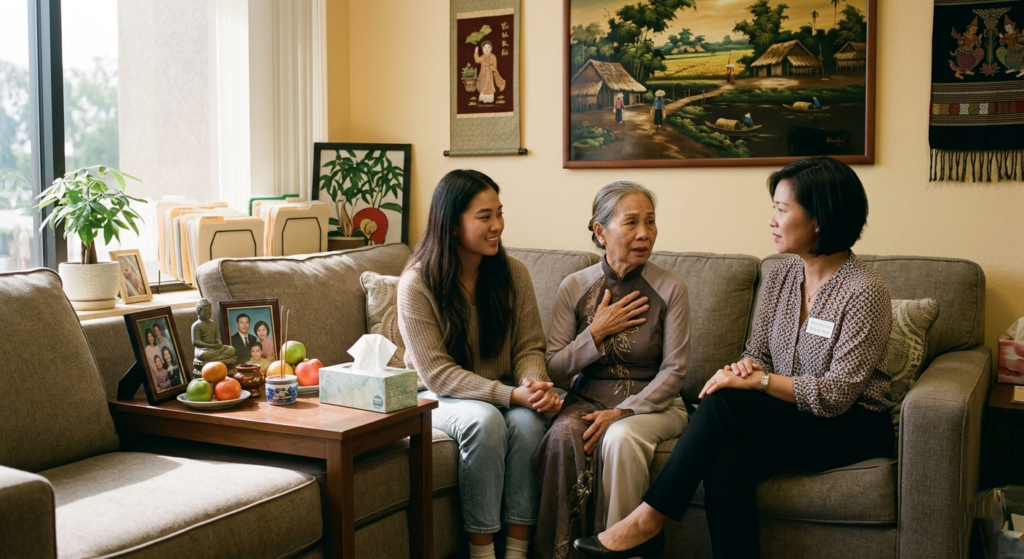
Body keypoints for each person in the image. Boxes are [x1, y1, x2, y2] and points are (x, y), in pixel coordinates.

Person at [575, 157, 896, 559]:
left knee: (725, 401)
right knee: (727, 462)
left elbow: (835, 395)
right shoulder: (780, 276)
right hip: (793, 416)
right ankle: (652, 522)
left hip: (851, 426)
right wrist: (747, 367)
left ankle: (649, 518)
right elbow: (757, 352)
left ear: (819, 218)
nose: (772, 221)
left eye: (782, 210)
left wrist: (756, 382)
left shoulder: (864, 290)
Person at [397, 169, 562, 559]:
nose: (497, 226)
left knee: (526, 423)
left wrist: (534, 386)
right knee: (485, 421)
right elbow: (437, 373)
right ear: (452, 225)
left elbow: (529, 347)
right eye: (484, 216)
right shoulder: (417, 284)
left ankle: (517, 553)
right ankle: (482, 553)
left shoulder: (513, 274)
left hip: (503, 389)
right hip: (437, 396)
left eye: (499, 214)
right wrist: (511, 394)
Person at [533, 181, 691, 559]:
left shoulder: (671, 288)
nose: (644, 234)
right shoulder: (574, 287)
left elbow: (675, 372)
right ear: (600, 231)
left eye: (650, 222)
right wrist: (596, 333)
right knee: (563, 436)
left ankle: (620, 549)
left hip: (655, 403)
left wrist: (623, 411)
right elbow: (553, 368)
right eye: (632, 222)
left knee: (618, 435)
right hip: (586, 397)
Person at [192, 299, 237, 367]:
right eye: (206, 310)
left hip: (215, 348)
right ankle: (218, 357)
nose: (208, 312)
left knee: (232, 349)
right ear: (199, 311)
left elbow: (217, 337)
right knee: (203, 355)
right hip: (203, 349)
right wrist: (210, 345)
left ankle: (216, 356)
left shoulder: (213, 323)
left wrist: (219, 343)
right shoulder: (196, 325)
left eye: (209, 310)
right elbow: (195, 342)